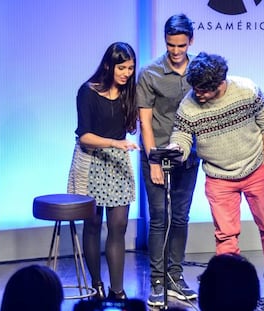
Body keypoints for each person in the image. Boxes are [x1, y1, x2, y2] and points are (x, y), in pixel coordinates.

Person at [168, 52, 264, 298]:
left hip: (256, 169)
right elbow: (182, 134)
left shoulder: (247, 90)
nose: (197, 94)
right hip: (218, 176)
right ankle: (228, 282)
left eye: (203, 90)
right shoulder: (189, 105)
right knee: (226, 234)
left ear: (220, 83)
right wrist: (176, 149)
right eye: (195, 89)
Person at [136, 13, 200, 307]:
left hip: (189, 156)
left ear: (191, 42)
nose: (176, 52)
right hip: (157, 155)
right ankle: (157, 280)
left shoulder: (200, 70)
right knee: (159, 218)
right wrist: (152, 161)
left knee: (181, 217)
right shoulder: (150, 73)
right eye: (171, 45)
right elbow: (145, 123)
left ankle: (175, 277)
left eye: (181, 46)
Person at [67, 42, 139, 300]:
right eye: (122, 68)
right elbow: (84, 135)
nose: (126, 73)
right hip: (91, 162)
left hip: (118, 164)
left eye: (130, 68)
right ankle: (96, 285)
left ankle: (117, 290)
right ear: (109, 65)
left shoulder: (130, 92)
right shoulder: (87, 92)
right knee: (93, 224)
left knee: (118, 225)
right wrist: (113, 143)